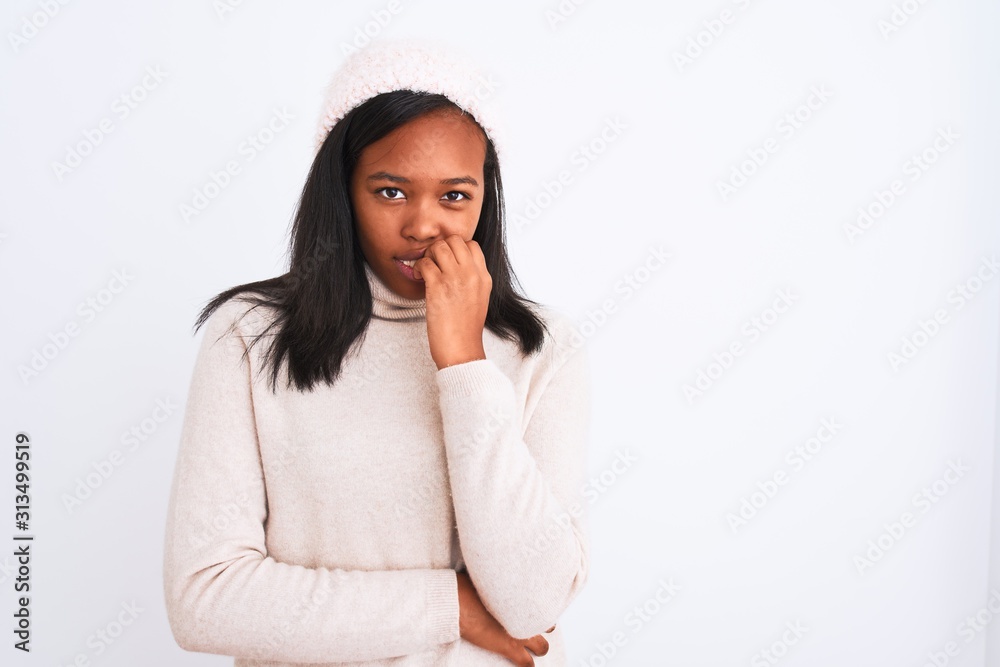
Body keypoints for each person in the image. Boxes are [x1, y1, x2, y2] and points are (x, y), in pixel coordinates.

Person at [162, 39, 591, 667]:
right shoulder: (249, 336)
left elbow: (532, 603)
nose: (423, 225)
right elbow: (205, 600)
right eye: (391, 192)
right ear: (342, 192)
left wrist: (464, 364)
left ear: (484, 199)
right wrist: (453, 607)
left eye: (454, 196)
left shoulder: (540, 350)